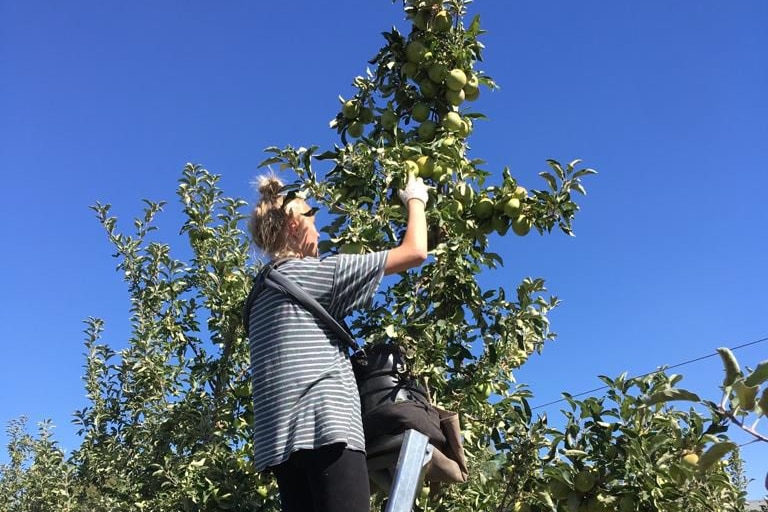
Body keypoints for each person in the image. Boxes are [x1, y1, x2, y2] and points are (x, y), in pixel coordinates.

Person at [246, 171, 430, 512]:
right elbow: (416, 251)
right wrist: (415, 199)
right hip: (327, 428)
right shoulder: (315, 273)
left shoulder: (257, 295)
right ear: (294, 226)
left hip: (280, 446)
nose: (319, 233)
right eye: (314, 222)